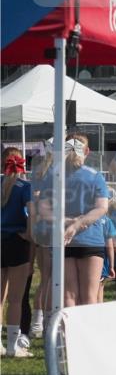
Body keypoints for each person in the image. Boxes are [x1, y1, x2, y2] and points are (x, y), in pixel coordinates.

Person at [61, 136, 111, 306]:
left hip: (65, 238)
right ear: (87, 151)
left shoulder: (56, 175)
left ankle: (69, 333)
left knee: (69, 295)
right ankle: (86, 333)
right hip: (90, 238)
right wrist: (77, 223)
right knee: (89, 296)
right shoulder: (95, 176)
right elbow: (102, 208)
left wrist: (69, 222)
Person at [2, 149, 34, 357]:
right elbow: (32, 213)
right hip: (16, 242)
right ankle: (13, 345)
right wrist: (30, 235)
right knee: (15, 298)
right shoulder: (26, 187)